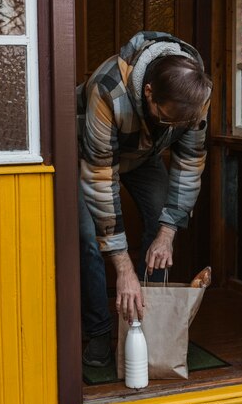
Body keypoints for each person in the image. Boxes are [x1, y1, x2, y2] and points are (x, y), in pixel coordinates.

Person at [77, 31, 212, 367]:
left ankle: (142, 327)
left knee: (163, 222)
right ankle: (98, 331)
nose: (176, 127)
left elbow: (189, 162)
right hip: (89, 158)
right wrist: (123, 267)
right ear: (148, 92)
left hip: (143, 155)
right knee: (87, 238)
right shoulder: (107, 88)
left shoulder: (196, 92)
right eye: (168, 119)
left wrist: (166, 234)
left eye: (182, 124)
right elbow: (100, 177)